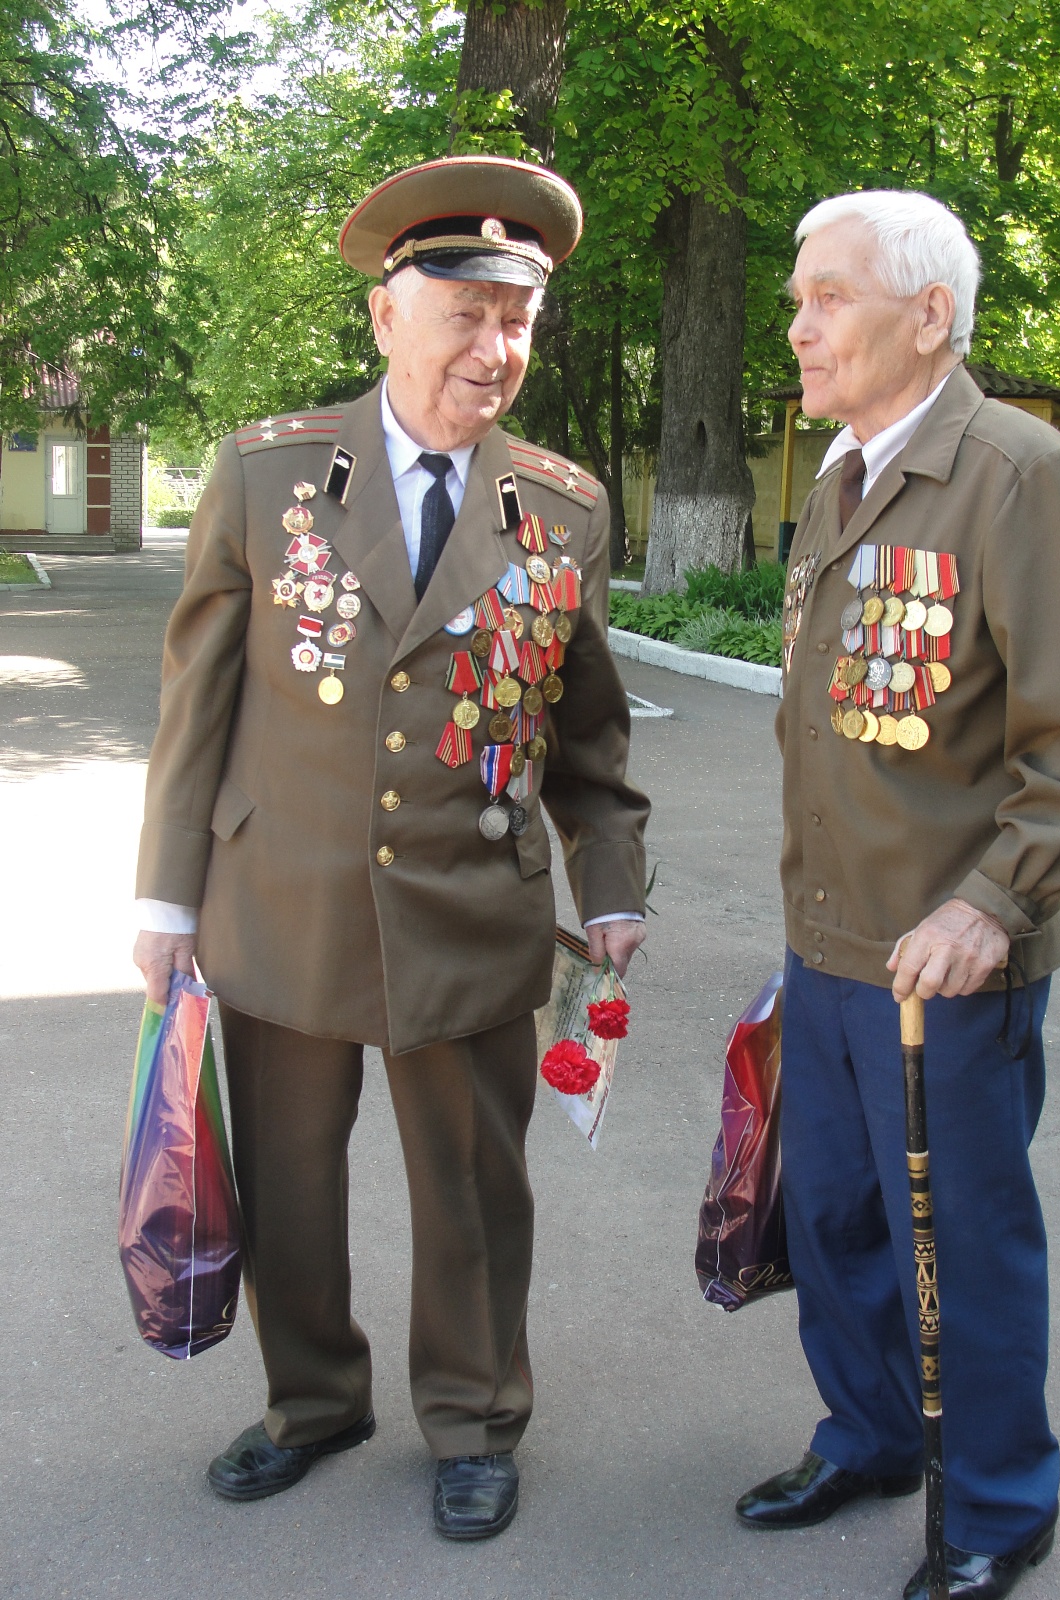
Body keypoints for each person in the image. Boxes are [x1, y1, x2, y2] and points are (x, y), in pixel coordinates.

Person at [132, 155, 649, 1541]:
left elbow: (589, 734)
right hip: (284, 898)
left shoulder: (562, 507)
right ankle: (313, 1401)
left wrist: (612, 889)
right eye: (465, 313)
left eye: (516, 320)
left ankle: (476, 1419)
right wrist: (166, 898)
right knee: (290, 1182)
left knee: (475, 1188)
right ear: (385, 314)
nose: (495, 348)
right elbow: (197, 708)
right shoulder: (268, 474)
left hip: (472, 905)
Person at [736, 190, 1060, 1599]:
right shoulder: (843, 475)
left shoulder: (1017, 475)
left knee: (964, 1246)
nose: (799, 328)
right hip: (829, 945)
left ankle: (996, 1502)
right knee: (837, 1222)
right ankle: (869, 1435)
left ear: (929, 315)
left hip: (948, 970)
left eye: (829, 298)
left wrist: (994, 905)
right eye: (798, 300)